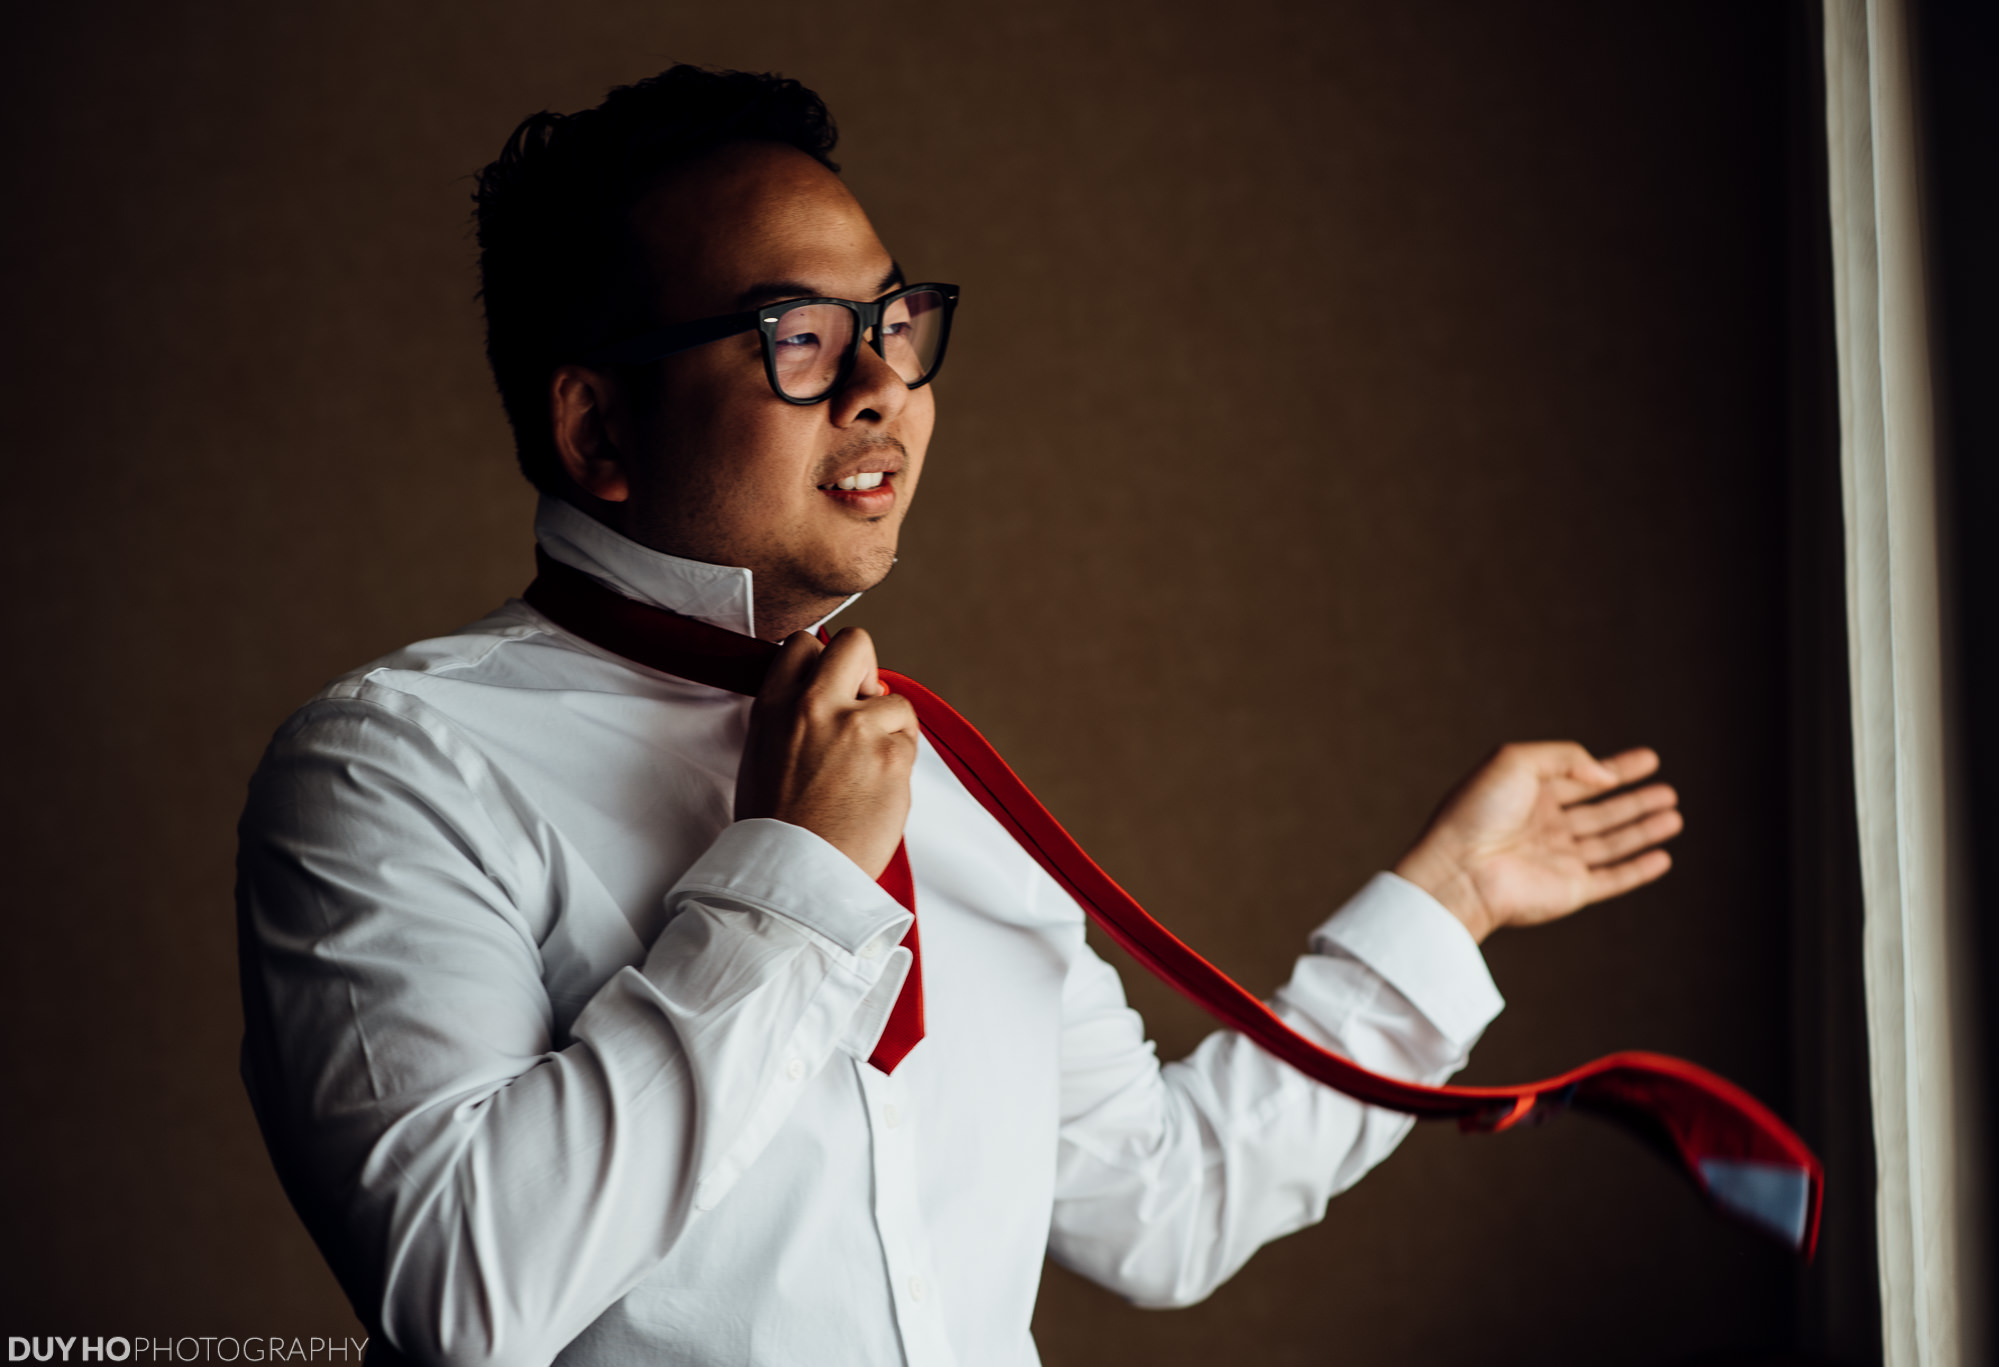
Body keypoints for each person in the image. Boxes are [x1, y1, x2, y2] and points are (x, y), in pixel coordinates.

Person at [236, 64, 1684, 1367]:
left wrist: (1452, 899)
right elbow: (463, 1295)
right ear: (597, 429)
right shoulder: (394, 769)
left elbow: (1159, 1209)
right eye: (795, 337)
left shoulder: (929, 774)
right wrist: (791, 883)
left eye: (893, 321)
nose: (883, 386)